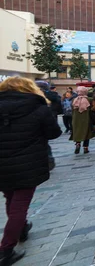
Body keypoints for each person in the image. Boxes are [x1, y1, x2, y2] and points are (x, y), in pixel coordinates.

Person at [0, 77, 62, 265]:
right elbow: (54, 133)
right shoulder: (38, 107)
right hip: (27, 161)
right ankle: (6, 249)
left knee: (11, 197)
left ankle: (21, 228)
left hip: (2, 162)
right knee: (20, 203)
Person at [71, 86, 95, 154]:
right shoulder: (90, 99)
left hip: (76, 119)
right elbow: (92, 110)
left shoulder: (74, 100)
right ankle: (85, 148)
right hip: (86, 119)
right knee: (87, 133)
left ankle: (78, 144)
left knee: (78, 132)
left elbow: (72, 110)